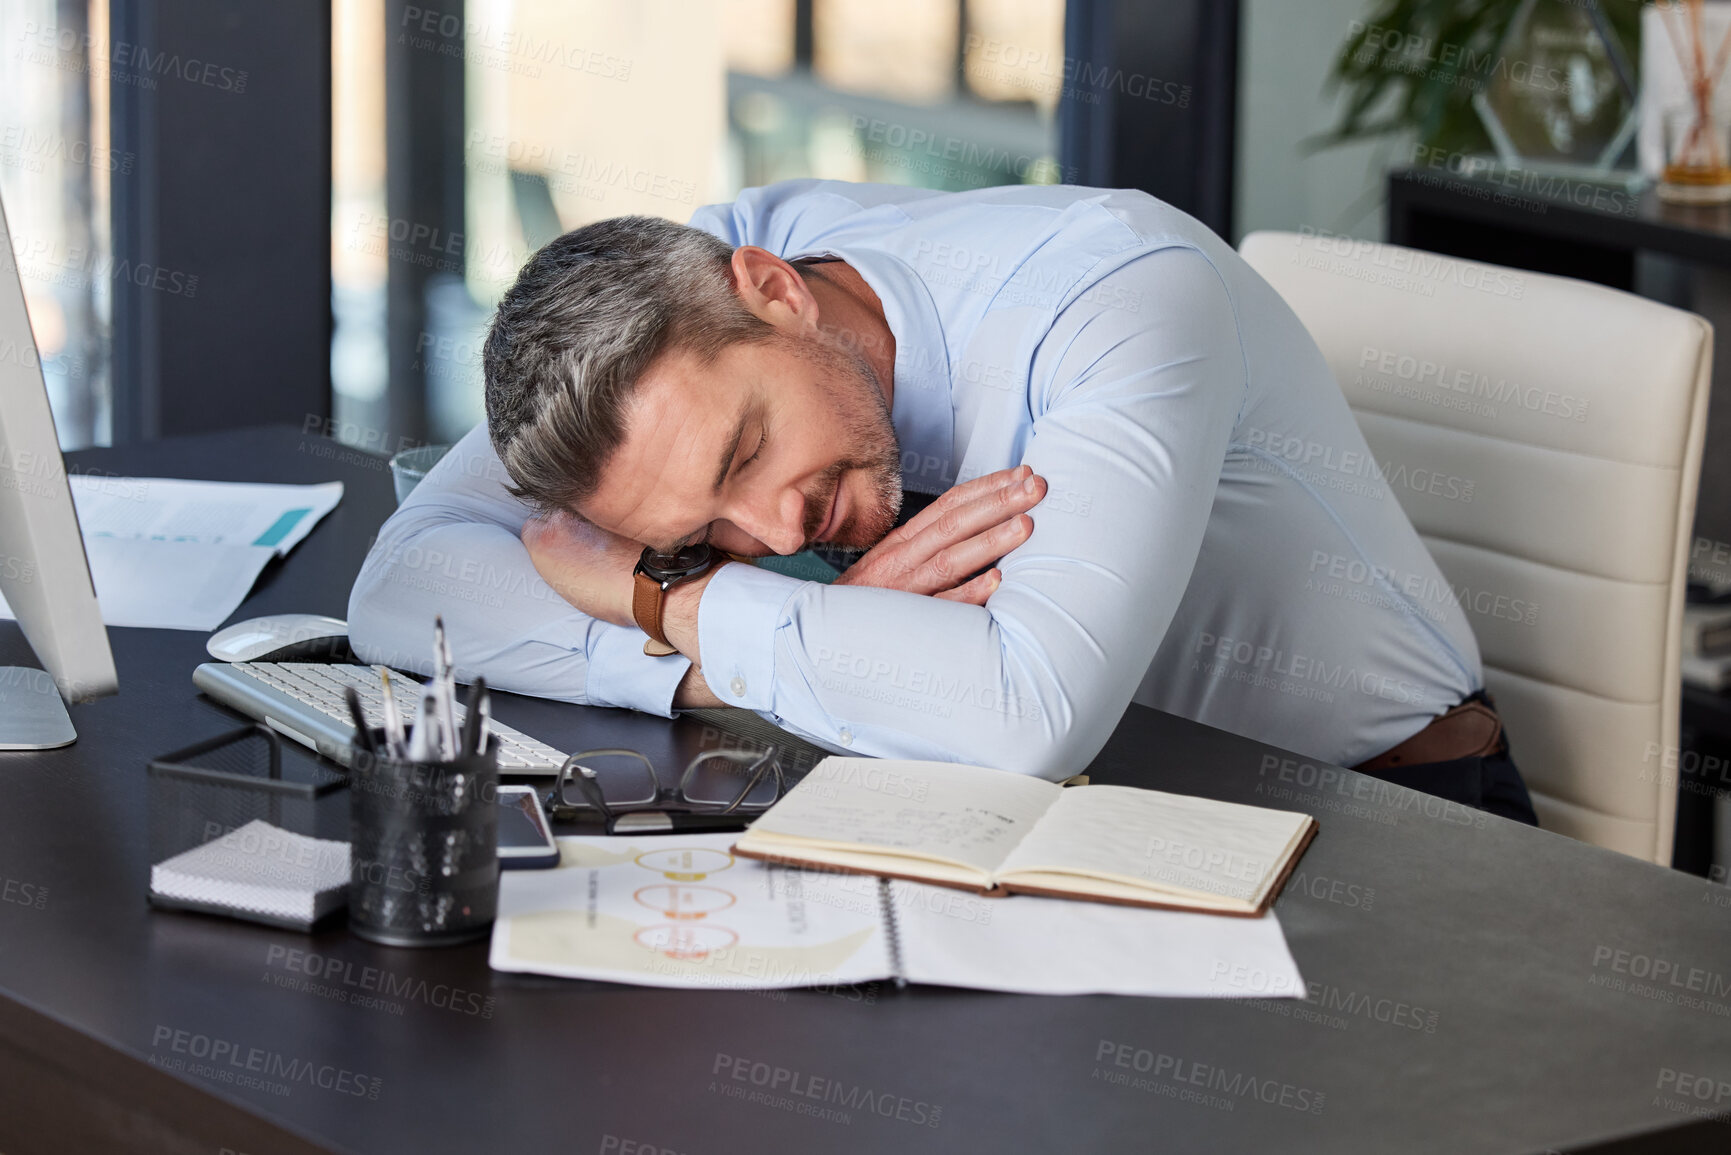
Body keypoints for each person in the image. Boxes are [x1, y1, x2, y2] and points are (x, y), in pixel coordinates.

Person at [348, 179, 1537, 824]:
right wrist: (740, 652)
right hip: (1074, 820)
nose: (765, 535)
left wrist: (671, 598)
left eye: (746, 455)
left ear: (775, 295)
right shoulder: (689, 309)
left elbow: (1027, 715)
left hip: (1385, 822)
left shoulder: (1120, 297)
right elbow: (405, 592)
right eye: (698, 535)